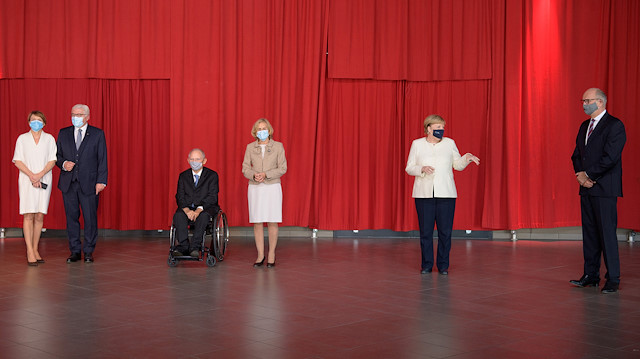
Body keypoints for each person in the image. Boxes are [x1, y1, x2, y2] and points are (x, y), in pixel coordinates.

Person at [405, 114, 480, 275]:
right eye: (437, 127)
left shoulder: (449, 143)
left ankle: (443, 265)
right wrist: (421, 169)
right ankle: (426, 264)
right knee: (425, 232)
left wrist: (466, 159)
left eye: (442, 127)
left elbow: (457, 165)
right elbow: (409, 167)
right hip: (424, 194)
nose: (441, 130)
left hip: (446, 194)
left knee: (445, 232)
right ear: (428, 128)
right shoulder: (417, 144)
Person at [570, 88, 626, 294]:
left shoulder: (615, 125)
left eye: (588, 100)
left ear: (600, 102)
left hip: (604, 188)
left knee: (607, 234)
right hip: (586, 188)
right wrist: (580, 175)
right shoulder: (585, 125)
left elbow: (610, 158)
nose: (584, 104)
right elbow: (576, 155)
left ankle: (613, 278)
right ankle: (590, 275)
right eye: (583, 100)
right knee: (590, 233)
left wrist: (590, 176)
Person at [56, 104, 108, 263]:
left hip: (90, 184)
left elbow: (102, 159)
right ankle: (75, 251)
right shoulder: (63, 133)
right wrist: (64, 164)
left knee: (90, 218)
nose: (75, 117)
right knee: (71, 217)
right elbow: (56, 155)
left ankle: (89, 251)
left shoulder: (97, 134)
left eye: (79, 114)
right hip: (68, 183)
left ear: (87, 117)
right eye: (73, 114)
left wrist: (101, 181)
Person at [12, 111, 57, 266]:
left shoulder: (49, 139)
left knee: (39, 215)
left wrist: (40, 174)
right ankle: (29, 250)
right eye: (32, 120)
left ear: (44, 123)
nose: (35, 123)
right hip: (27, 179)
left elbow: (52, 160)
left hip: (44, 179)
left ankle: (36, 248)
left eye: (38, 120)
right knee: (28, 214)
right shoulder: (22, 139)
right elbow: (17, 160)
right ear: (28, 122)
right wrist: (32, 175)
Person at [242, 118, 287, 268]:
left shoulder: (278, 147)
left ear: (269, 130)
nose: (262, 131)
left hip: (272, 186)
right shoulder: (250, 147)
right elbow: (245, 168)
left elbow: (282, 168)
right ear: (255, 132)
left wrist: (265, 174)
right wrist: (254, 175)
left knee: (272, 220)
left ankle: (272, 254)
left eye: (264, 128)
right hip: (255, 187)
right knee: (258, 221)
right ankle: (260, 254)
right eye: (259, 129)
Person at [173, 148, 220, 257]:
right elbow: (180, 195)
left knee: (203, 216)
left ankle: (195, 247)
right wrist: (187, 210)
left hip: (206, 207)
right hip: (187, 206)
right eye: (192, 159)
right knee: (179, 215)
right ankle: (183, 246)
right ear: (188, 160)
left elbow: (212, 197)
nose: (194, 162)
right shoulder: (183, 176)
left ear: (204, 161)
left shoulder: (212, 175)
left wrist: (198, 210)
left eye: (198, 159)